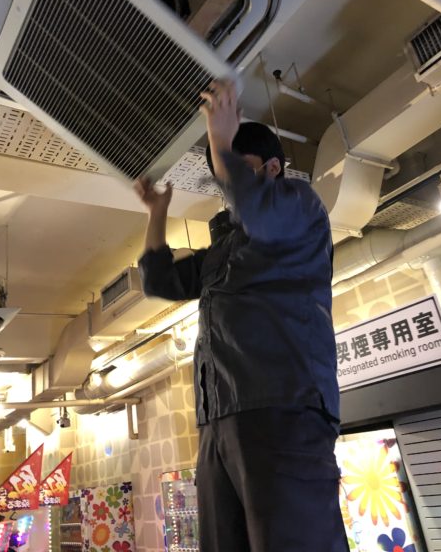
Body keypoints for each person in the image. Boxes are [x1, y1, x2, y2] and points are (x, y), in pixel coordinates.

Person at [135, 80, 349, 552]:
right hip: (218, 417)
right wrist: (156, 213)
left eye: (243, 171)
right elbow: (160, 282)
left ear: (272, 169)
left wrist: (221, 141)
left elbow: (258, 208)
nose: (231, 188)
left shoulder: (299, 206)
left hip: (283, 406)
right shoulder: (223, 248)